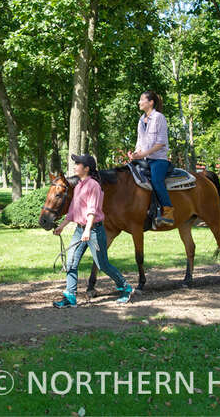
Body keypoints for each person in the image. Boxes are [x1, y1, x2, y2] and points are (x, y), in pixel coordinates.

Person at [52, 154, 132, 308]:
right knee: (71, 262)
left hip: (94, 230)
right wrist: (62, 226)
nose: (75, 166)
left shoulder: (93, 185)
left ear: (86, 168)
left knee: (102, 264)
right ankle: (70, 297)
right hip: (80, 230)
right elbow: (73, 210)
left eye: (78, 164)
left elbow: (92, 210)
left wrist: (88, 230)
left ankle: (126, 288)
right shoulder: (79, 186)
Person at [128, 90, 174, 227]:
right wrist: (136, 153)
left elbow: (161, 143)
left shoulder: (159, 117)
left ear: (151, 102)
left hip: (159, 159)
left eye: (142, 100)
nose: (139, 102)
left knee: (156, 180)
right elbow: (139, 142)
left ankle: (168, 211)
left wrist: (144, 154)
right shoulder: (141, 120)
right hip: (145, 159)